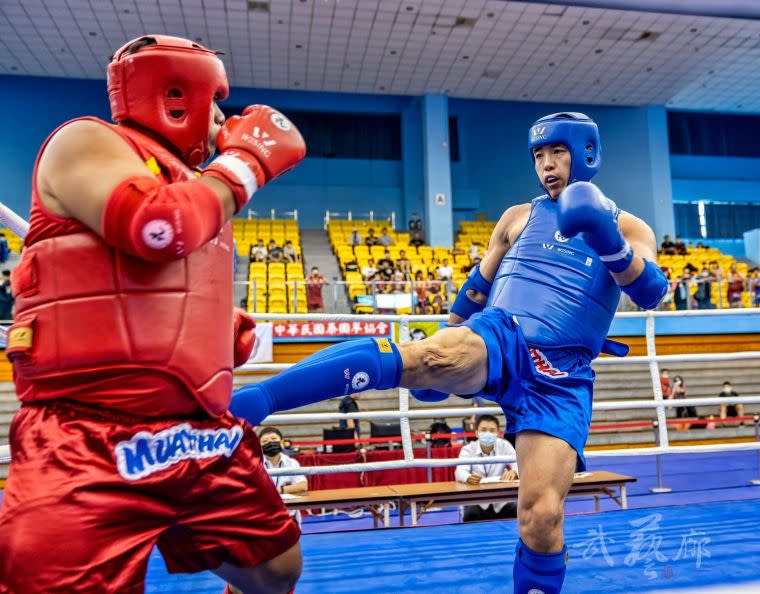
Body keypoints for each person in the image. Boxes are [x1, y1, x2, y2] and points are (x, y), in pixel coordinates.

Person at [230, 111, 668, 594]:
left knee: (541, 517)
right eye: (539, 155)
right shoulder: (517, 217)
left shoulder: (629, 227)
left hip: (562, 376)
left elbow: (650, 291)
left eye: (557, 152)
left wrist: (607, 238)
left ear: (587, 154)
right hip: (504, 333)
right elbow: (477, 288)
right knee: (429, 359)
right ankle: (260, 399)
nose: (546, 165)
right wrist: (441, 341)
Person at [0, 35, 307, 594]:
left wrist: (209, 327)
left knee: (275, 570)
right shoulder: (86, 141)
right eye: (215, 102)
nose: (220, 119)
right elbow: (153, 226)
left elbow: (142, 284)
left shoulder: (193, 186)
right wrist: (244, 164)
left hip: (195, 434)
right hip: (89, 435)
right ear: (175, 94)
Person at [455, 414, 518, 522]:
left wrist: (515, 472)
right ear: (476, 432)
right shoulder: (468, 449)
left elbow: (518, 464)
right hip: (478, 501)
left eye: (492, 430)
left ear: (498, 433)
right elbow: (460, 471)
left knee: (515, 515)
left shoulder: (505, 445)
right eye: (483, 430)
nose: (488, 433)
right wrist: (468, 477)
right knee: (470, 515)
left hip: (502, 501)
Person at [259, 427, 308, 526]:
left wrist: (279, 490)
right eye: (265, 441)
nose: (270, 443)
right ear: (259, 445)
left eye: (274, 439)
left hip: (288, 516)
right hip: (262, 516)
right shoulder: (254, 464)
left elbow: (303, 486)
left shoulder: (292, 463)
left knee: (294, 541)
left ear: (281, 442)